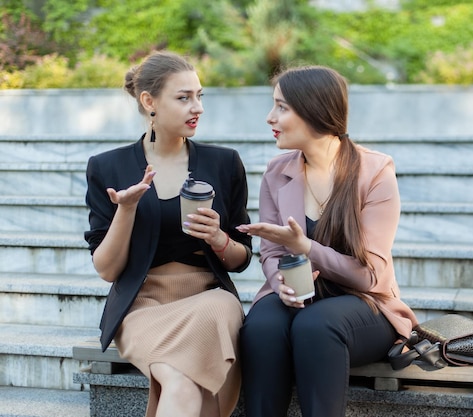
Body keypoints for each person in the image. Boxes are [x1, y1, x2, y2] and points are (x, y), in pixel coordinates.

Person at [236, 65, 418, 417]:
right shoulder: (278, 171)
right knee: (261, 327)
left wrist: (306, 247)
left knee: (315, 325)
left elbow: (372, 275)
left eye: (281, 107)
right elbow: (272, 251)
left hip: (364, 303)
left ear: (314, 110)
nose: (269, 117)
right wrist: (281, 285)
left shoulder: (374, 171)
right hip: (300, 294)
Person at [84, 50, 252, 417]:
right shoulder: (107, 167)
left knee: (192, 362)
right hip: (142, 305)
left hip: (210, 298)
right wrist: (126, 209)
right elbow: (108, 270)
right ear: (149, 102)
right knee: (182, 383)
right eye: (184, 97)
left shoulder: (224, 163)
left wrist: (219, 239)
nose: (198, 107)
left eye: (199, 95)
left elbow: (241, 258)